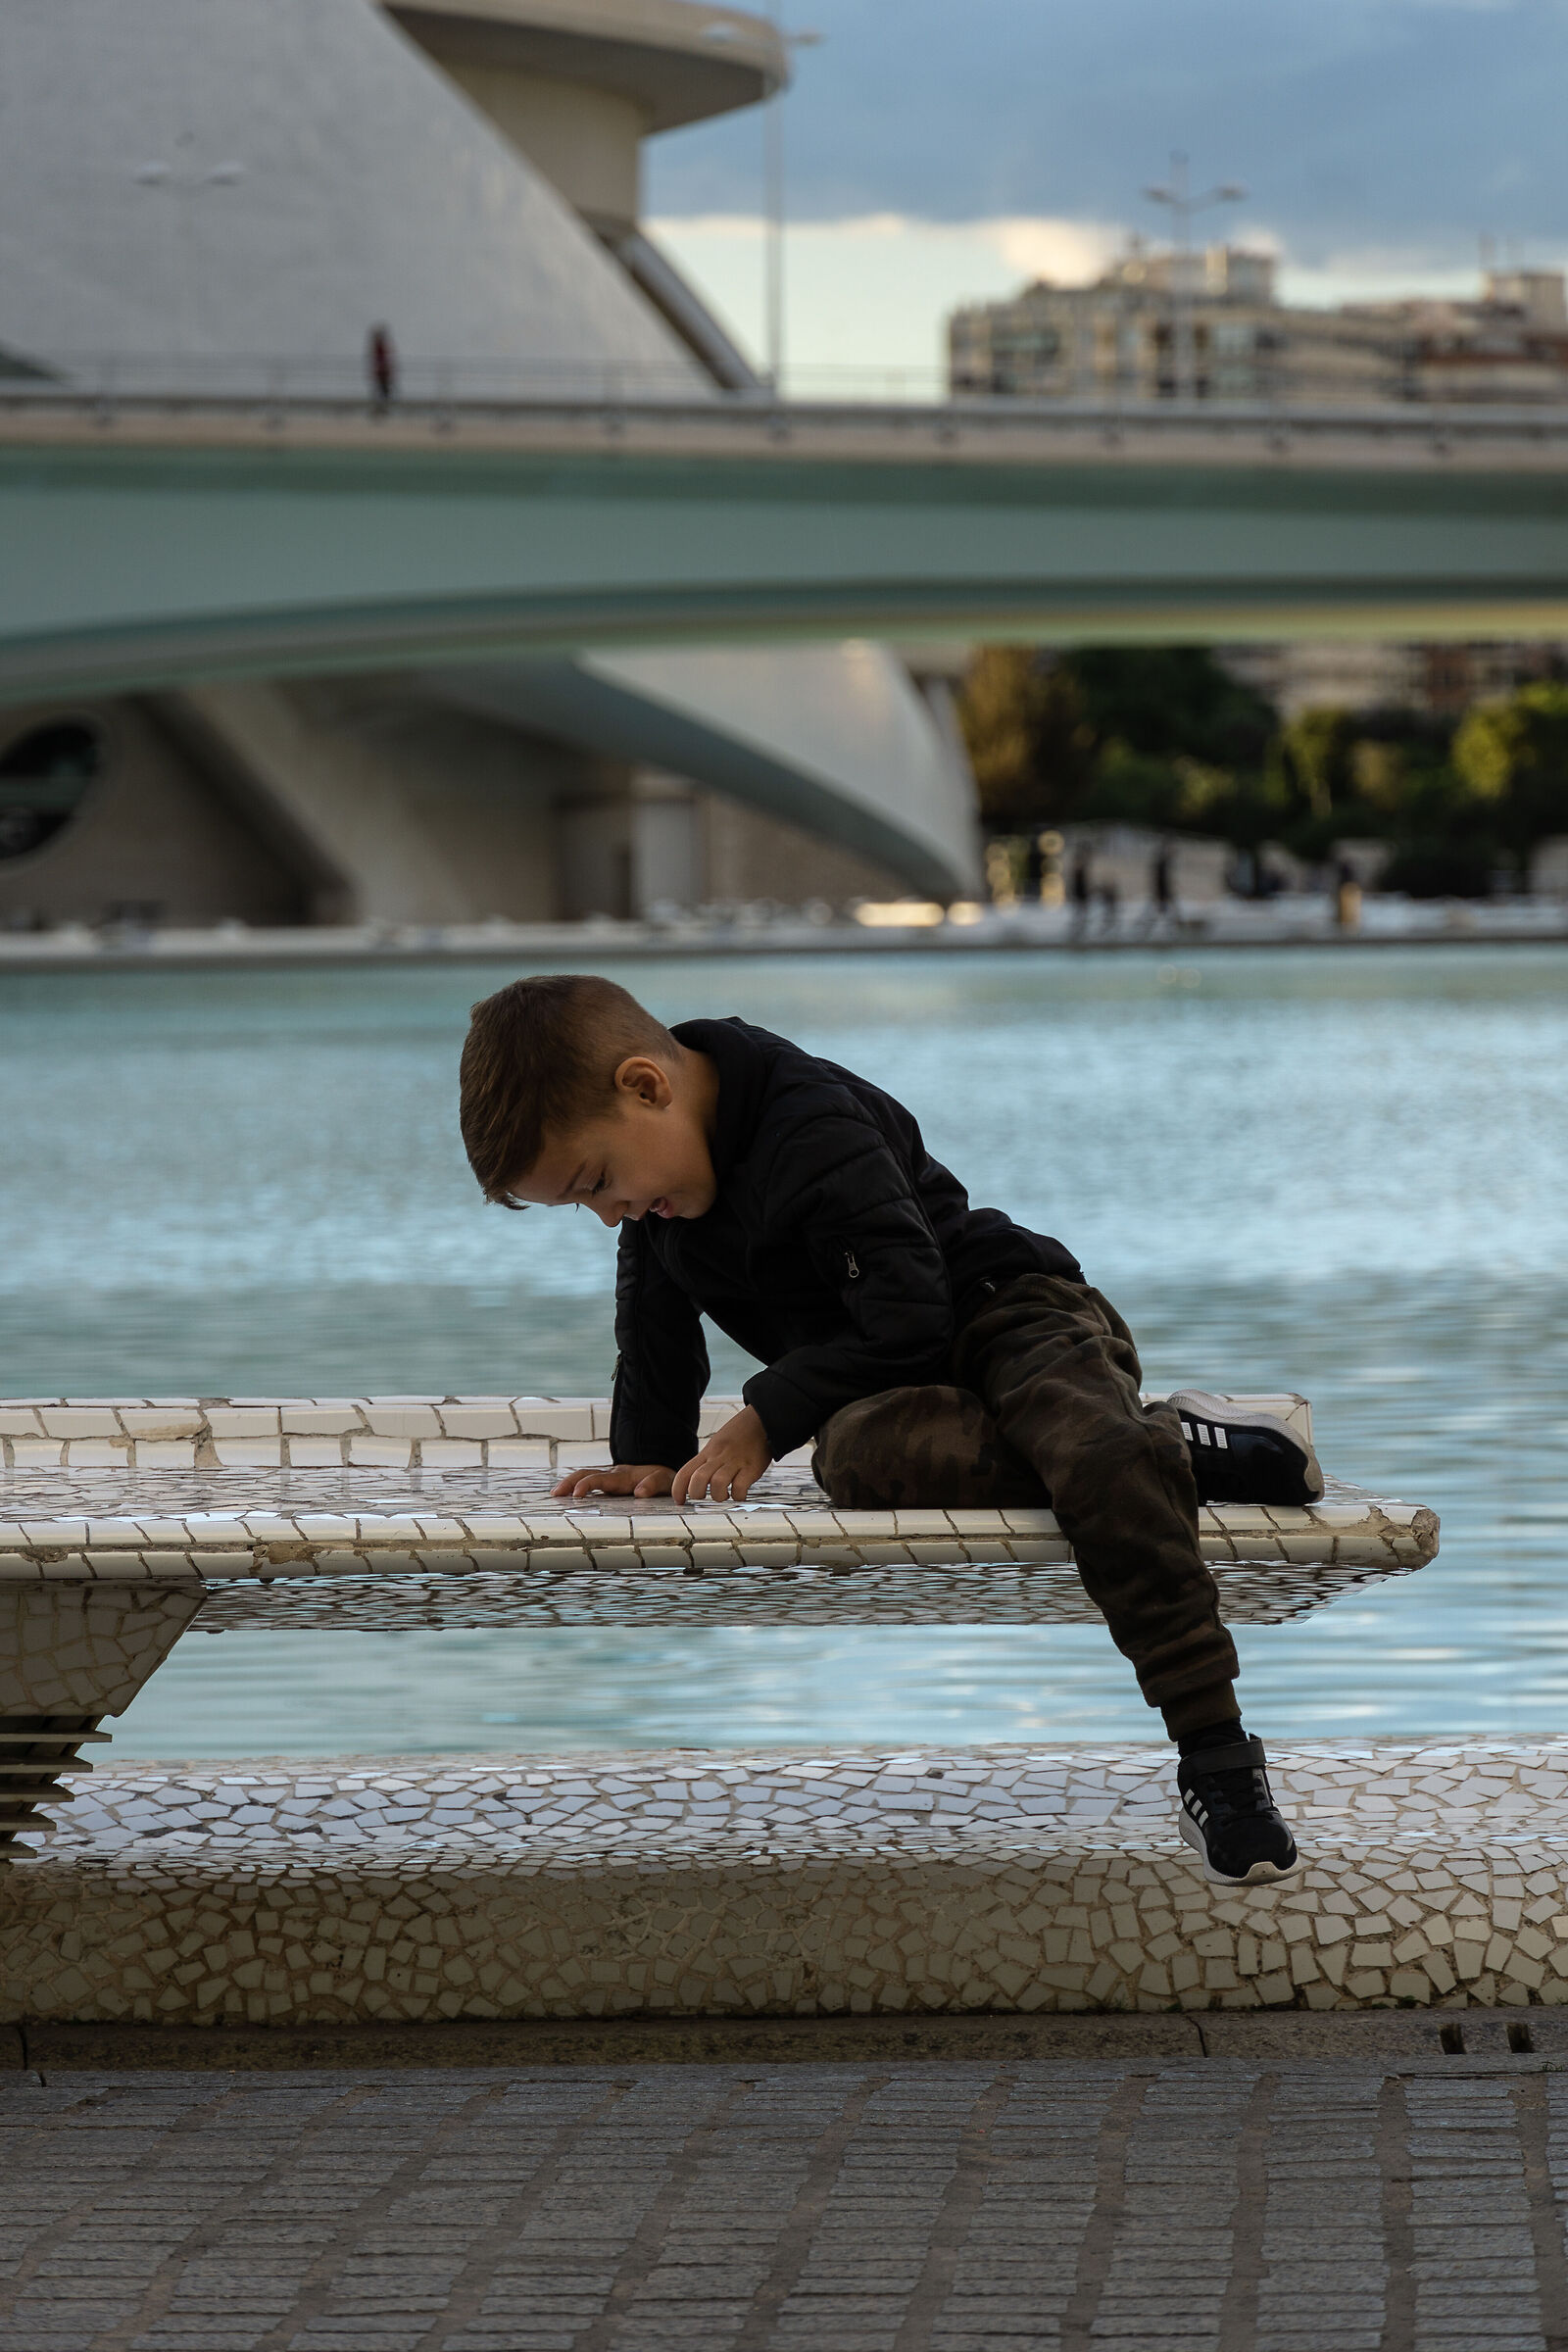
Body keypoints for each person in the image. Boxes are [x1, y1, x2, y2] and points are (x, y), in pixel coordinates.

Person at [459, 974, 1320, 1886]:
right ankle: (1159, 1449)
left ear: (646, 1086)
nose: (605, 1213)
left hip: (1008, 1313)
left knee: (1093, 1450)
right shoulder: (660, 1198)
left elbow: (910, 1315)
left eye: (596, 1183)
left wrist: (763, 1419)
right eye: (580, 1205)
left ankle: (1217, 1761)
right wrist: (650, 1450)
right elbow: (655, 1325)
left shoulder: (811, 1124)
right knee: (860, 1460)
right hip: (895, 1388)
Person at [367, 321, 397, 409]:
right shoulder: (379, 346)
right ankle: (383, 406)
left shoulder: (378, 346)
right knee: (383, 390)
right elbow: (382, 359)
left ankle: (382, 406)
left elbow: (381, 359)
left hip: (382, 372)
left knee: (382, 390)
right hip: (382, 372)